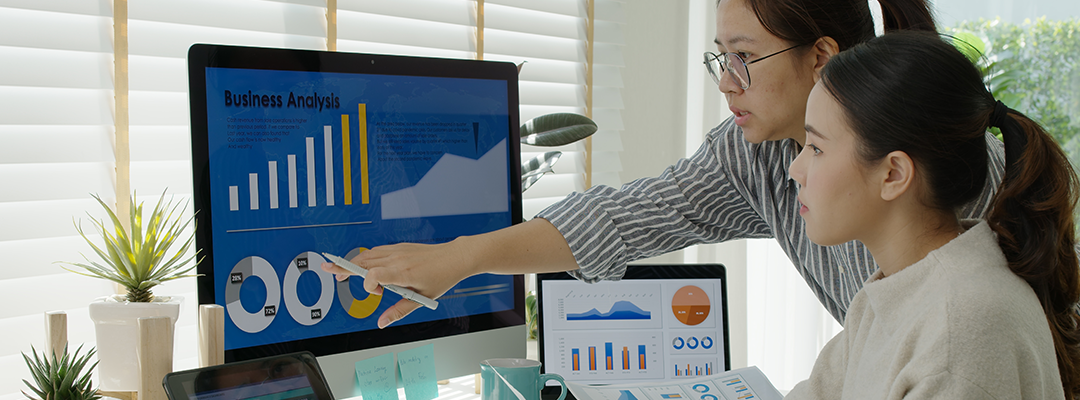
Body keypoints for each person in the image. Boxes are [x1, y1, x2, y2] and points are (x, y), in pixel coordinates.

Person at [321, 0, 1006, 329]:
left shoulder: (957, 228)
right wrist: (462, 257)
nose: (724, 81)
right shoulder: (758, 153)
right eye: (718, 56)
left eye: (743, 57)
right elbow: (624, 216)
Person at [784, 30, 1080, 398]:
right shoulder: (889, 297)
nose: (796, 169)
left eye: (815, 148)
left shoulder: (962, 332)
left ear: (893, 174)